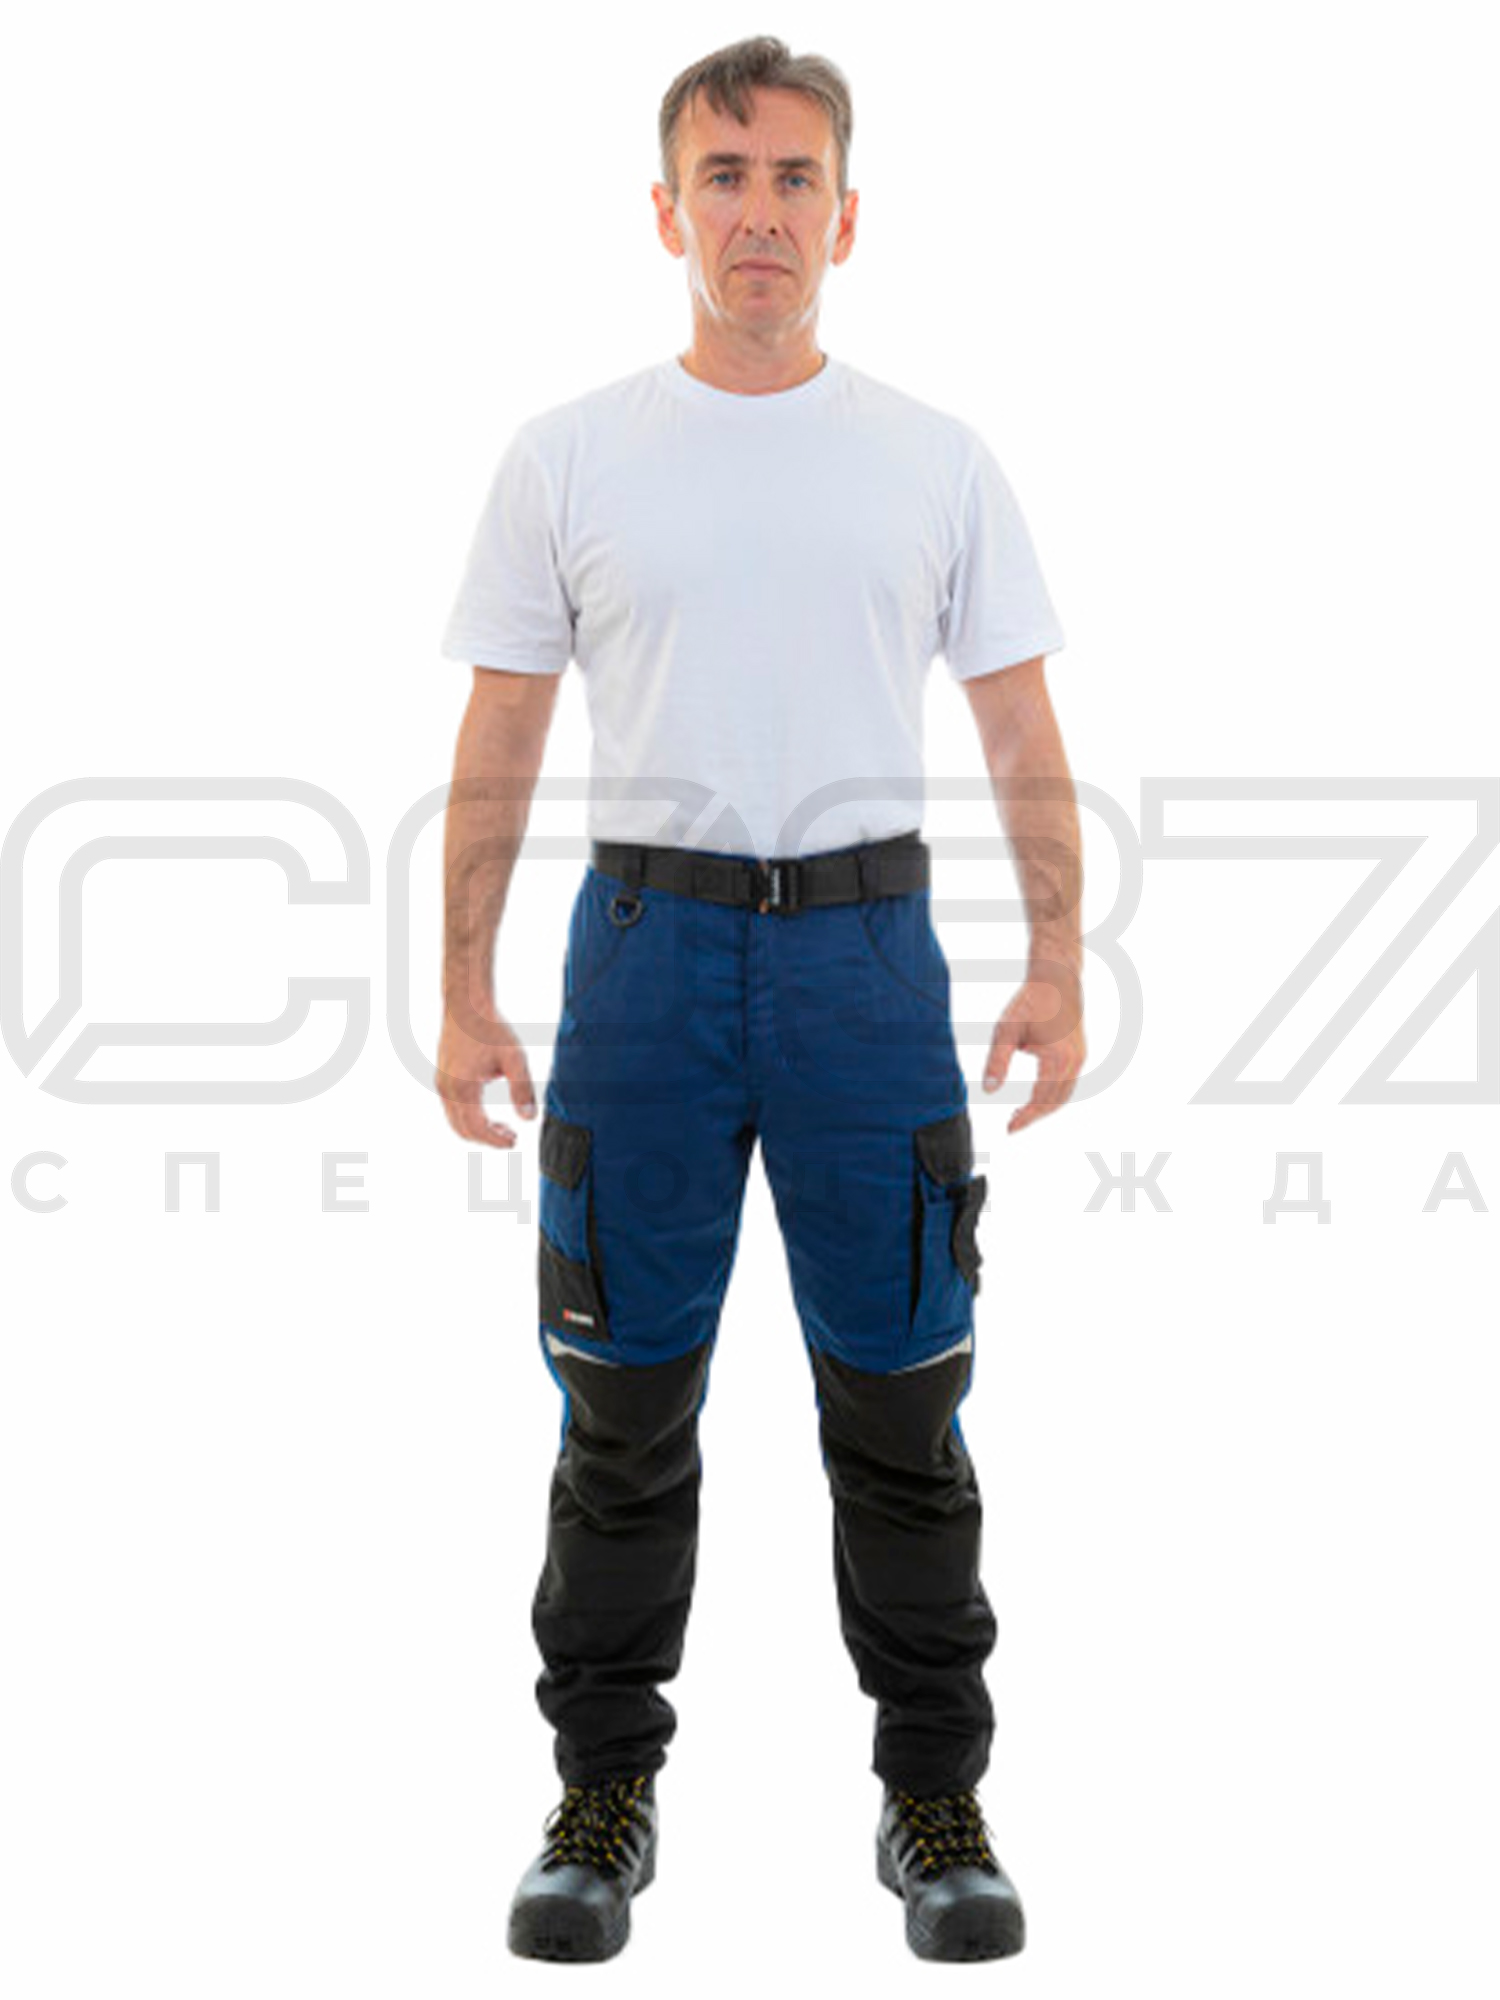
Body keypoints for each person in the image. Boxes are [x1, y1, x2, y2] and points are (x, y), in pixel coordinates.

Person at [434, 34, 1086, 1965]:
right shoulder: (568, 456)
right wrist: (460, 988)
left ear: (847, 218)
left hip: (865, 967)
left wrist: (1060, 958)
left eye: (795, 177)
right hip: (644, 960)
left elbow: (1021, 728)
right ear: (667, 212)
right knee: (621, 1405)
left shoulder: (934, 460)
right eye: (724, 177)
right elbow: (499, 735)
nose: (761, 212)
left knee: (903, 1400)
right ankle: (600, 1796)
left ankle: (935, 1798)